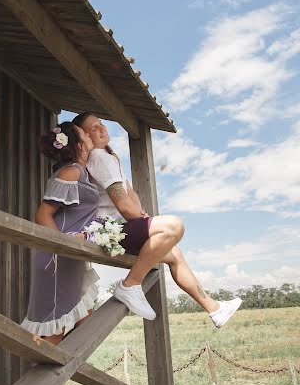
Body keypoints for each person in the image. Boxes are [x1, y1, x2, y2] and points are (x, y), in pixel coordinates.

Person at [72, 113, 242, 327]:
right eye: (94, 128)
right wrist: (146, 223)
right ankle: (130, 285)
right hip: (107, 231)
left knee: (173, 252)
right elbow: (123, 205)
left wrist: (144, 218)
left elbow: (128, 192)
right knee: (173, 227)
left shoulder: (108, 155)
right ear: (85, 137)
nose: (102, 128)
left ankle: (215, 309)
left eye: (101, 123)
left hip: (118, 228)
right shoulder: (100, 158)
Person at [21, 121, 99, 385]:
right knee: (52, 334)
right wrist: (64, 249)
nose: (91, 136)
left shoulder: (82, 173)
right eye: (86, 133)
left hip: (67, 260)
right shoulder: (70, 172)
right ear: (77, 144)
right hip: (57, 259)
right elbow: (43, 215)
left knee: (84, 323)